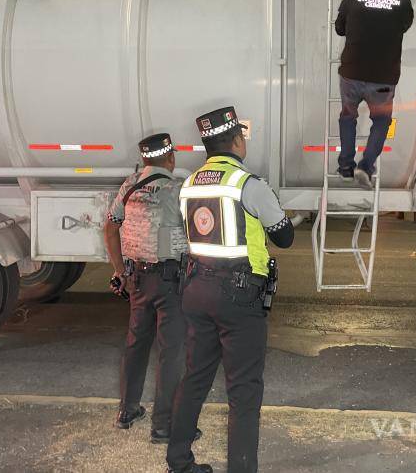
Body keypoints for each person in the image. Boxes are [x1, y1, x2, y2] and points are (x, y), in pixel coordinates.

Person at [166, 106, 295, 473]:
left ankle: (179, 462)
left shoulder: (189, 184)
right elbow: (284, 237)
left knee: (195, 377)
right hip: (238, 297)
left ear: (207, 145)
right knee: (244, 390)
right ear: (237, 140)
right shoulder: (247, 184)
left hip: (194, 290)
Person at [104, 132, 200, 445]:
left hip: (137, 279)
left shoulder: (129, 187)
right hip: (170, 280)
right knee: (171, 352)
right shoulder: (178, 189)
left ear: (145, 159)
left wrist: (120, 270)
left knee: (136, 343)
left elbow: (110, 226)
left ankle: (127, 411)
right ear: (171, 158)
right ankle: (164, 426)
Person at [334, 0, 414, 188]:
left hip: (352, 73)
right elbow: (404, 26)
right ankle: (365, 166)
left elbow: (340, 29)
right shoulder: (402, 0)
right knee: (381, 122)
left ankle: (346, 167)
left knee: (348, 117)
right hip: (383, 78)